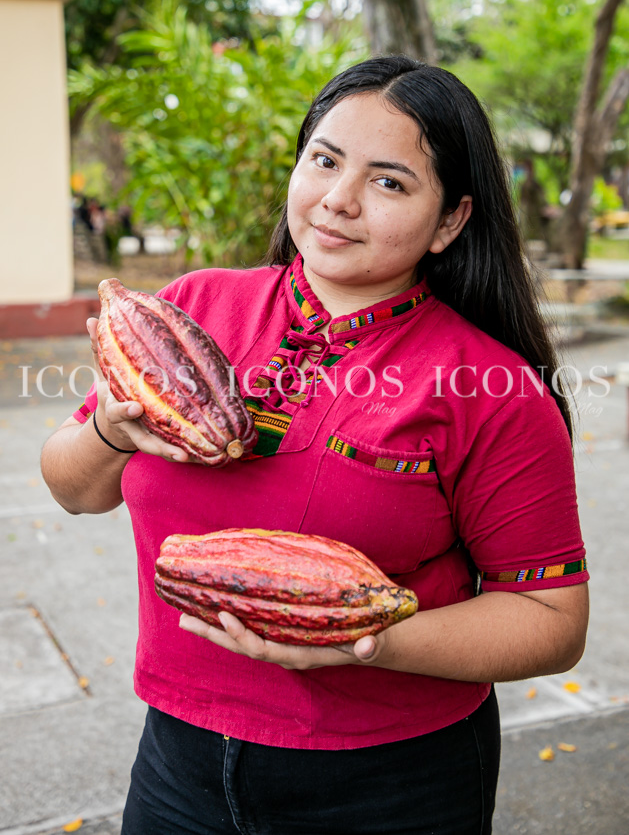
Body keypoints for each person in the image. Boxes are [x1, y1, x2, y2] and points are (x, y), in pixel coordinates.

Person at [41, 56, 589, 835]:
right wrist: (107, 432)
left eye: (389, 182)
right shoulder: (192, 308)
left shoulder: (489, 387)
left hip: (391, 781)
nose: (338, 199)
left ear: (450, 222)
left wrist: (358, 641)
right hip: (179, 759)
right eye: (324, 161)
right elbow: (73, 488)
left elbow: (551, 619)